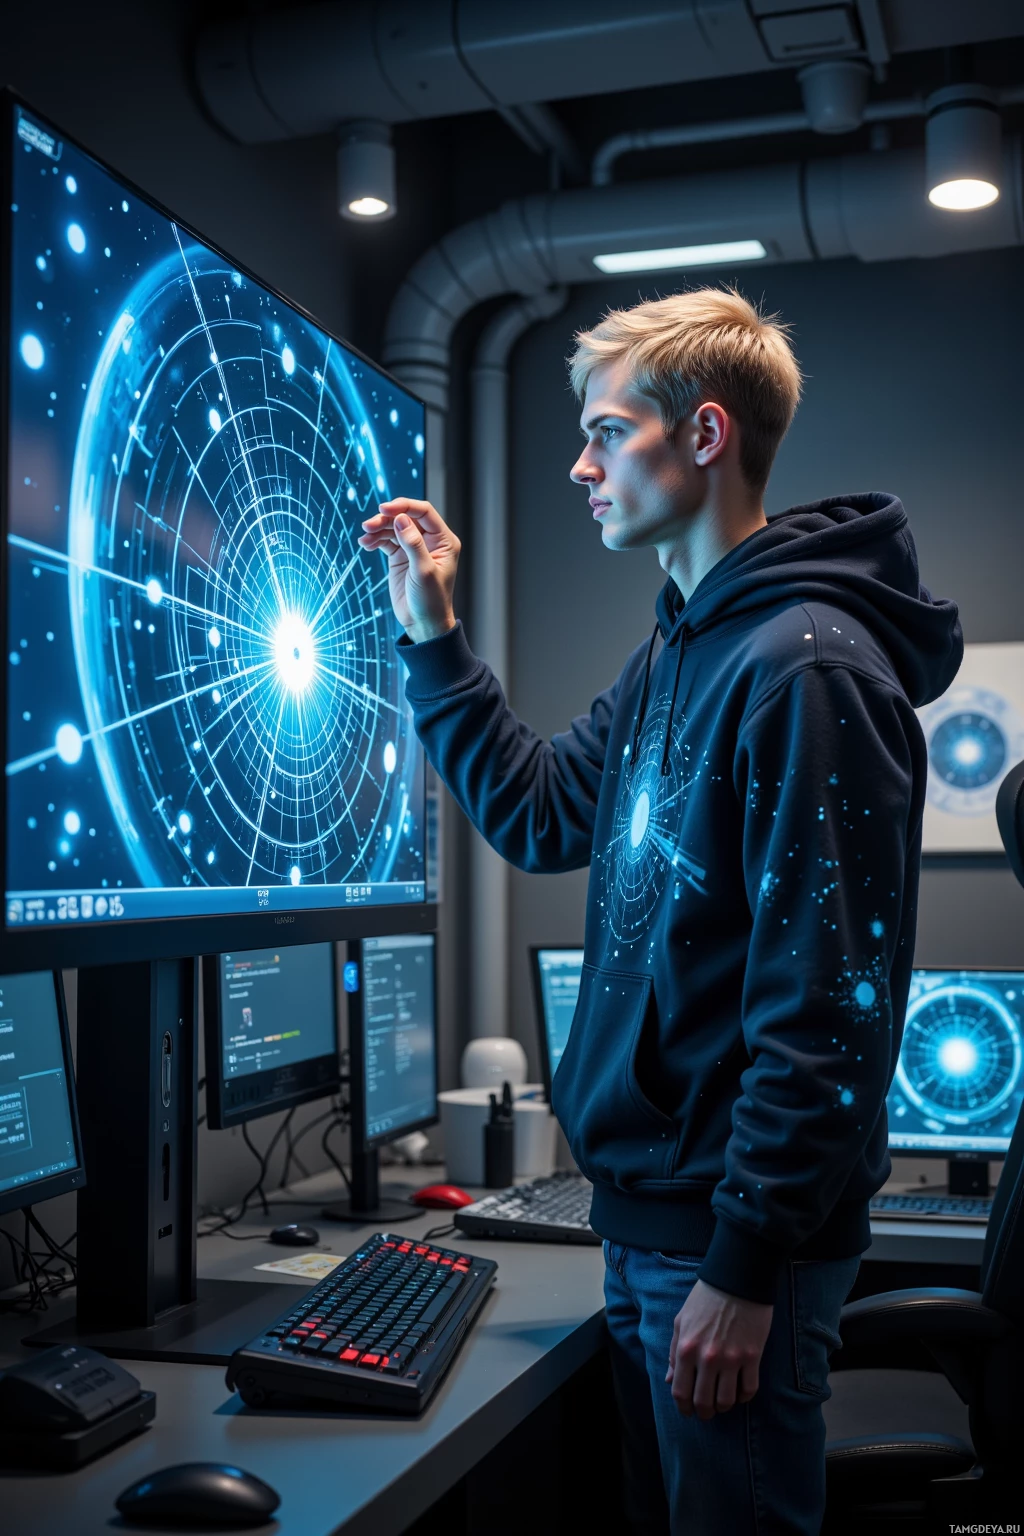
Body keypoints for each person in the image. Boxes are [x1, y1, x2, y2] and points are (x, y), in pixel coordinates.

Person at [358, 288, 962, 1535]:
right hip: (653, 1229)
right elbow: (536, 815)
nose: (579, 468)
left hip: (731, 1247)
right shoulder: (678, 653)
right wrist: (433, 638)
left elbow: (829, 1014)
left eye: (602, 432)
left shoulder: (805, 667)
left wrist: (743, 1267)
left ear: (700, 434)